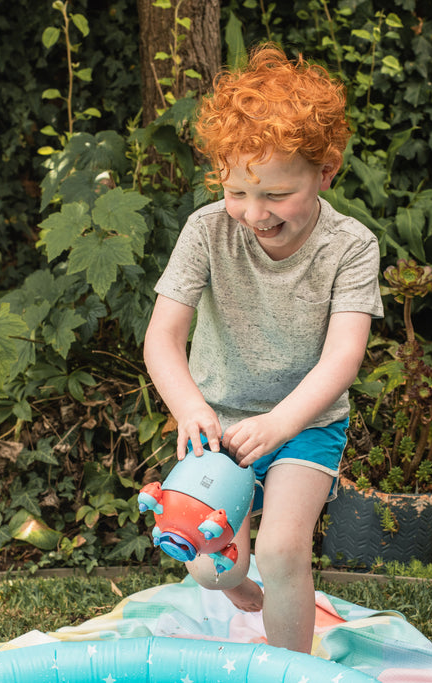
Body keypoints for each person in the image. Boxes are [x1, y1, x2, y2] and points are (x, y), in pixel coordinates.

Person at [143, 43, 382, 654]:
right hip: (216, 424)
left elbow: (343, 359)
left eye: (275, 194)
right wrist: (189, 408)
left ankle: (291, 669)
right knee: (204, 560)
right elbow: (163, 338)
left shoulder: (351, 247)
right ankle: (236, 584)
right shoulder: (206, 230)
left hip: (304, 424)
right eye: (238, 192)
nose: (254, 213)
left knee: (280, 551)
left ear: (325, 173)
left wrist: (280, 424)